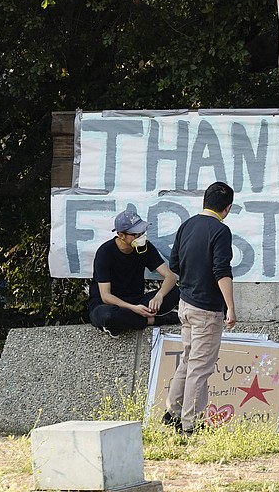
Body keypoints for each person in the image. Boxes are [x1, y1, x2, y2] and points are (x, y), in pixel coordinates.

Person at [162, 181, 238, 434]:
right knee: (200, 367)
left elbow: (174, 264)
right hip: (207, 309)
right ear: (227, 208)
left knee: (188, 361)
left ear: (204, 201)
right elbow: (222, 270)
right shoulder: (221, 231)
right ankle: (190, 424)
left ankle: (172, 413)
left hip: (185, 303)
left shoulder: (187, 225)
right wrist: (230, 307)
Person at [88, 208, 180, 336]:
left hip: (137, 301)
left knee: (176, 292)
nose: (141, 236)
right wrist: (133, 309)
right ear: (121, 235)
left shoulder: (145, 247)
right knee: (108, 316)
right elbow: (106, 296)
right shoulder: (105, 252)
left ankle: (127, 322)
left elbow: (170, 276)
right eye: (136, 234)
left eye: (142, 232)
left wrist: (159, 295)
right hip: (108, 305)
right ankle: (154, 320)